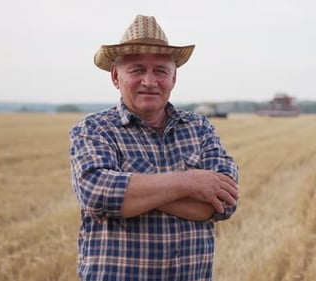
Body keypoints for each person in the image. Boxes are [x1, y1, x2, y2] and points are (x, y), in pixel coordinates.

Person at [69, 15, 239, 281]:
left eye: (160, 70)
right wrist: (192, 183)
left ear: (173, 77)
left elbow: (225, 203)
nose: (150, 81)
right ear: (116, 76)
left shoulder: (200, 128)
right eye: (137, 70)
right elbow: (97, 194)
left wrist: (134, 196)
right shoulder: (94, 129)